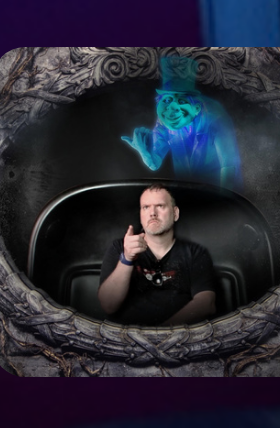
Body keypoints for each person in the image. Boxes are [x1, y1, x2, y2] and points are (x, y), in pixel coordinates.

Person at [97, 184, 217, 326]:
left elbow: (206, 303)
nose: (152, 213)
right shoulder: (120, 248)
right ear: (141, 215)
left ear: (175, 213)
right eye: (146, 207)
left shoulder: (195, 253)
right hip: (126, 336)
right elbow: (108, 305)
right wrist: (127, 259)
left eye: (160, 206)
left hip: (177, 336)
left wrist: (162, 333)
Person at [119, 54, 243, 191]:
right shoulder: (163, 122)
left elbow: (229, 165)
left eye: (182, 100)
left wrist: (223, 199)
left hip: (217, 188)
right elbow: (154, 163)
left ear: (196, 108)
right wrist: (145, 152)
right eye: (167, 100)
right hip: (185, 189)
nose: (172, 109)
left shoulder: (215, 117)